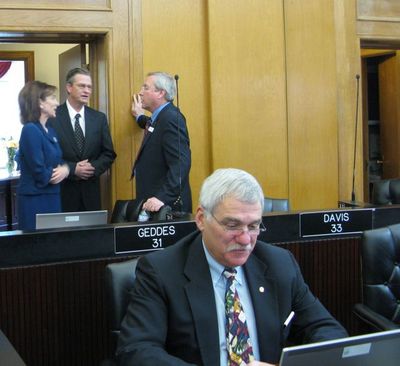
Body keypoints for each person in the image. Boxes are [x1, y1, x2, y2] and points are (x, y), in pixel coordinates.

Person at [116, 168, 348, 365]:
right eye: (232, 225)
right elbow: (137, 351)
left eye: (254, 226)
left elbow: (328, 331)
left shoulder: (279, 264)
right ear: (201, 219)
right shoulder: (161, 271)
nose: (246, 239)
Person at [48, 67, 116, 212]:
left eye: (89, 87)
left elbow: (109, 153)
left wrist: (92, 168)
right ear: (69, 87)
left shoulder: (99, 118)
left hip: (90, 195)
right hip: (62, 194)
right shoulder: (52, 118)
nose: (87, 91)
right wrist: (73, 169)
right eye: (82, 86)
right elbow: (46, 156)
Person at [130, 71, 192, 213]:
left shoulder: (171, 118)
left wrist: (163, 197)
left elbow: (181, 163)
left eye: (145, 87)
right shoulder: (161, 117)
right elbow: (152, 127)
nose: (140, 93)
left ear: (160, 93)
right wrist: (139, 117)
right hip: (154, 203)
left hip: (166, 207)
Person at [17, 81, 70, 230]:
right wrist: (60, 171)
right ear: (40, 103)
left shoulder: (50, 130)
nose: (57, 103)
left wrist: (65, 169)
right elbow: (40, 173)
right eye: (52, 98)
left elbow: (59, 161)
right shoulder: (30, 130)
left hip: (52, 197)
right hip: (35, 201)